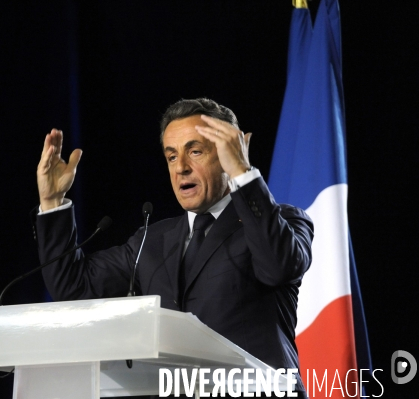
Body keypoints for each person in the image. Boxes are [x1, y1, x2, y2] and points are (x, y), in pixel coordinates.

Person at [33, 98, 313, 397]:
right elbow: (72, 287)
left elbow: (278, 266)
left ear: (230, 154)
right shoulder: (151, 241)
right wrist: (52, 203)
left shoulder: (281, 221)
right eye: (171, 156)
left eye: (195, 151)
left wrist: (242, 173)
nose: (180, 167)